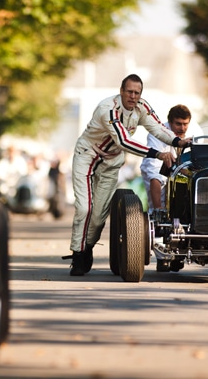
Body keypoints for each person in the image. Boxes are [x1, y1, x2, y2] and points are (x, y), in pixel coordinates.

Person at [66, 74, 192, 276]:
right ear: (121, 91)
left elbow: (158, 128)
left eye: (137, 92)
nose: (133, 96)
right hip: (87, 155)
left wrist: (178, 142)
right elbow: (123, 141)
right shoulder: (108, 108)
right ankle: (78, 254)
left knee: (98, 217)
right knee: (84, 208)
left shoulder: (142, 107)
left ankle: (86, 246)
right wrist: (157, 153)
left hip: (111, 161)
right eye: (130, 92)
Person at [140, 104, 203, 214]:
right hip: (159, 173)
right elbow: (154, 172)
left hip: (184, 174)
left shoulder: (196, 131)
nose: (182, 128)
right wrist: (158, 211)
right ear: (169, 122)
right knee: (159, 204)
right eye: (178, 124)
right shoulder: (157, 134)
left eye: (185, 124)